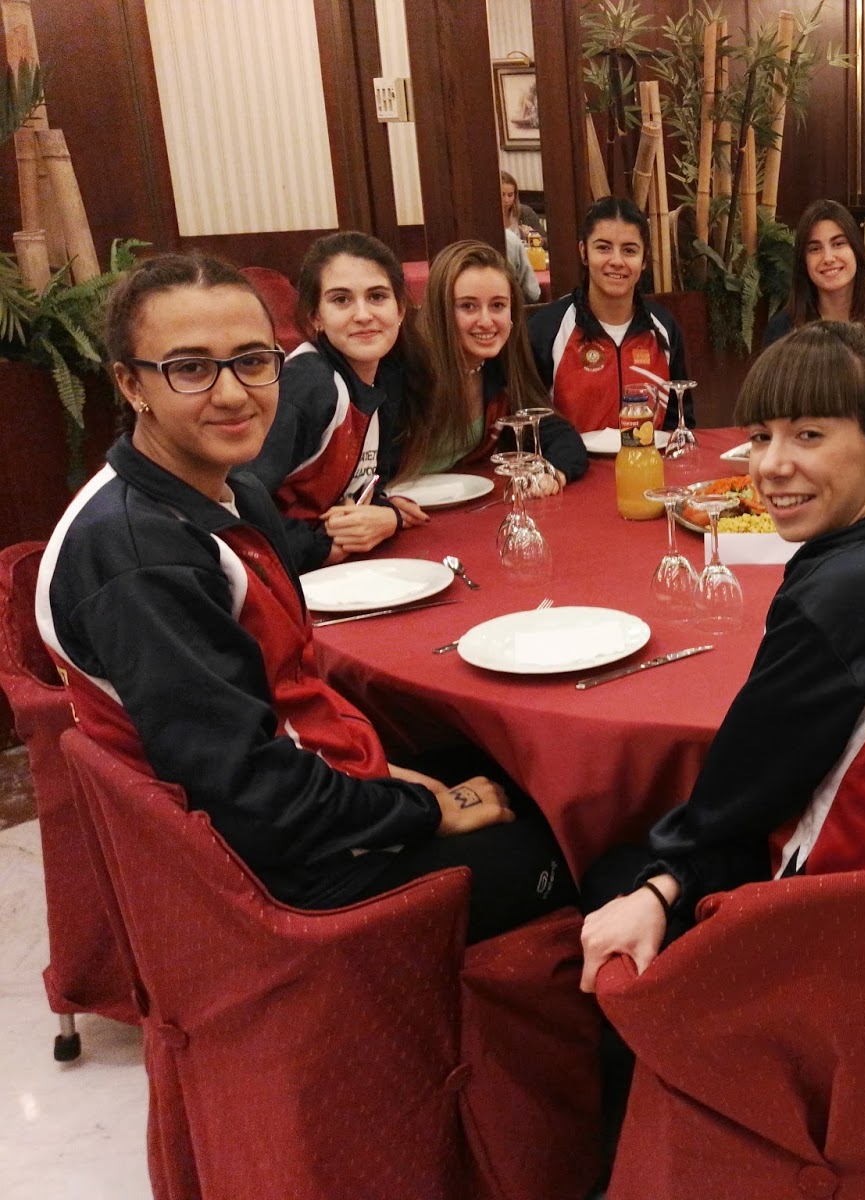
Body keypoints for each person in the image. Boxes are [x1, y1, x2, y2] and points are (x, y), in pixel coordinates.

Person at [36, 252, 576, 943]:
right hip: (283, 877)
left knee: (541, 774)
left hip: (310, 782)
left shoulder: (233, 489)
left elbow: (284, 706)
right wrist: (423, 810)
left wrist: (383, 776)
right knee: (575, 841)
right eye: (191, 368)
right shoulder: (141, 556)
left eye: (252, 361)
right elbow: (252, 794)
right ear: (130, 383)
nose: (233, 393)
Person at [579, 321, 865, 990]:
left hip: (854, 948)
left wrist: (661, 886)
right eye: (762, 436)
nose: (770, 466)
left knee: (609, 872)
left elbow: (735, 796)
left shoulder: (844, 594)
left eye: (808, 435)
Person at [246, 232, 427, 573]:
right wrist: (321, 548)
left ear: (401, 309)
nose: (363, 314)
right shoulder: (307, 386)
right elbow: (237, 505)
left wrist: (387, 515)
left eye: (377, 296)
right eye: (341, 300)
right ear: (315, 316)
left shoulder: (386, 377)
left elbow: (367, 485)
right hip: (280, 575)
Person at [407, 239, 586, 487]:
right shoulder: (408, 370)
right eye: (468, 306)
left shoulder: (500, 366)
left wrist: (551, 473)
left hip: (464, 503)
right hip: (393, 505)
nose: (486, 321)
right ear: (441, 311)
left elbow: (561, 437)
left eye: (498, 305)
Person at [527, 196, 691, 434]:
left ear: (644, 259)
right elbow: (532, 425)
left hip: (649, 456)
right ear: (584, 252)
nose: (617, 261)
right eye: (603, 248)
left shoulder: (663, 327)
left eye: (629, 250)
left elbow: (680, 421)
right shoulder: (547, 329)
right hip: (573, 459)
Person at [762, 199, 865, 425]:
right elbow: (769, 403)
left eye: (839, 243)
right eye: (815, 249)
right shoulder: (783, 328)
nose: (828, 258)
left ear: (856, 250)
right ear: (803, 261)